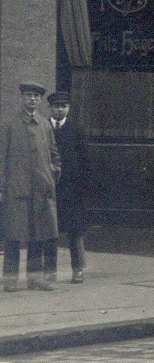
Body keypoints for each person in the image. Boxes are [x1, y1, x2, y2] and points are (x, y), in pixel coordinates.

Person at [2, 82, 59, 292]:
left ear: (40, 99)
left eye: (36, 96)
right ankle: (10, 280)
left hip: (41, 190)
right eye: (28, 95)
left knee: (38, 235)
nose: (32, 99)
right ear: (22, 98)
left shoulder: (45, 125)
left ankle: (34, 279)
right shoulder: (10, 124)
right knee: (13, 235)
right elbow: (2, 157)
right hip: (17, 189)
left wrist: (52, 176)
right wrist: (2, 187)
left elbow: (54, 154)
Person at [47, 94, 89, 282]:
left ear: (69, 108)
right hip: (49, 188)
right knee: (48, 231)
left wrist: (81, 188)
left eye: (64, 106)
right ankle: (49, 271)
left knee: (75, 230)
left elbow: (85, 161)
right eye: (56, 106)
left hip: (71, 189)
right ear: (50, 108)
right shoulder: (44, 128)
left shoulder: (76, 130)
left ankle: (78, 269)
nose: (60, 109)